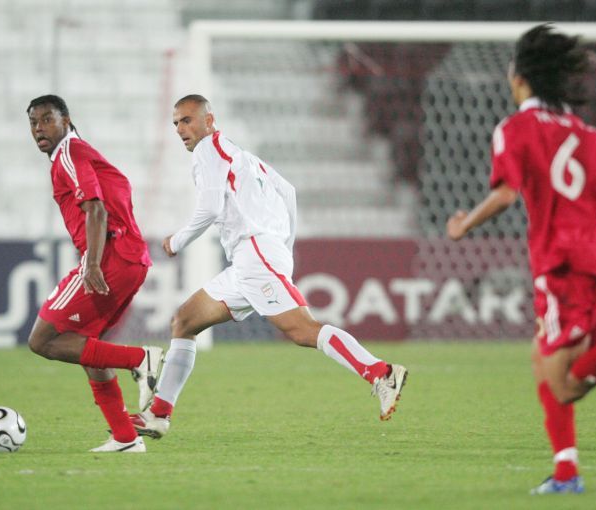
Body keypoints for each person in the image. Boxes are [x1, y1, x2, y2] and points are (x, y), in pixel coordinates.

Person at [445, 24, 596, 494]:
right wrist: (587, 220)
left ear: (519, 79)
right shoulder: (594, 136)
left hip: (561, 263)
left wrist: (463, 225)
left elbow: (505, 195)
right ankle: (566, 473)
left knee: (564, 383)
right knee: (548, 362)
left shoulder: (515, 128)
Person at [127, 94, 408, 439]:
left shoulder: (207, 149)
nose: (180, 129)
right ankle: (158, 415)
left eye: (187, 120)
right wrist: (283, 249)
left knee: (302, 330)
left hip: (255, 252)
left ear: (209, 120)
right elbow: (288, 193)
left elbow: (211, 208)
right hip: (255, 256)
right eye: (175, 123)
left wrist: (178, 240)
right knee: (184, 321)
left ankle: (380, 372)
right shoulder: (241, 155)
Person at [26, 94, 164, 453]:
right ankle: (125, 437)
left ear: (66, 120)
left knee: (42, 340)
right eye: (33, 122)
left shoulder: (69, 153)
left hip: (109, 257)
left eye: (47, 119)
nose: (39, 128)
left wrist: (91, 263)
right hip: (130, 258)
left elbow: (96, 210)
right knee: (88, 347)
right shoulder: (80, 154)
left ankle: (140, 359)